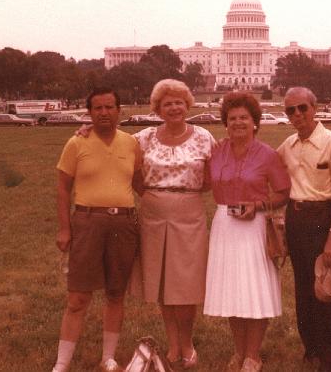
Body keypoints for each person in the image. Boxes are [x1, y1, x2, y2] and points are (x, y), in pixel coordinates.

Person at [52, 88, 142, 372]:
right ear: (89, 112)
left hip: (123, 224)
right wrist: (65, 229)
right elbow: (63, 189)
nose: (104, 113)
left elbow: (140, 184)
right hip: (88, 222)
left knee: (116, 293)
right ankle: (62, 362)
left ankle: (108, 358)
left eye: (109, 107)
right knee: (78, 296)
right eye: (98, 108)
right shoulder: (76, 143)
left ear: (119, 110)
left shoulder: (131, 143)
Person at [204, 92, 291, 372]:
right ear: (225, 124)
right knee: (232, 291)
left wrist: (259, 205)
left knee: (254, 290)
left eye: (244, 118)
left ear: (255, 122)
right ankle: (239, 351)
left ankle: (253, 355)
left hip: (254, 227)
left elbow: (283, 192)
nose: (238, 123)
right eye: (232, 119)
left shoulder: (267, 154)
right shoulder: (216, 151)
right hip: (224, 226)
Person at [131, 79, 215, 369]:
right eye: (168, 103)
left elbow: (211, 178)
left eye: (179, 102)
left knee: (186, 281)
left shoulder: (204, 136)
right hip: (153, 214)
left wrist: (182, 196)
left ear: (187, 104)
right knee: (163, 280)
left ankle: (187, 341)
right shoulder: (143, 138)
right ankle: (173, 343)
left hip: (189, 214)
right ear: (158, 108)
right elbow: (127, 167)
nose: (174, 107)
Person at [277, 87, 331, 372]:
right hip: (296, 220)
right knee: (302, 288)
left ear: (314, 108)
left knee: (323, 289)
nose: (297, 115)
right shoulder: (289, 145)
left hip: (323, 219)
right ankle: (311, 349)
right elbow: (266, 164)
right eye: (290, 111)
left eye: (302, 108)